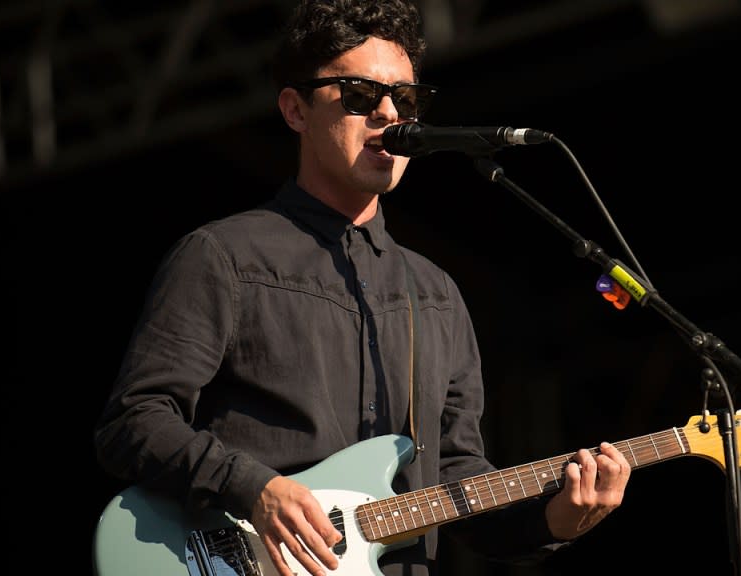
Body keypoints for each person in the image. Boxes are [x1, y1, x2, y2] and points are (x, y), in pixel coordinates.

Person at [93, 1, 631, 575]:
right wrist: (253, 488)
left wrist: (555, 521)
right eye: (358, 95)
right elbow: (135, 421)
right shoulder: (223, 257)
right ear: (295, 109)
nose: (388, 114)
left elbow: (455, 484)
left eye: (405, 98)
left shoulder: (437, 295)